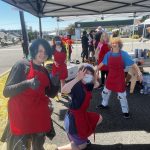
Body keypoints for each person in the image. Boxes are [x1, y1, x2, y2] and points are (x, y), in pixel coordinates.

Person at [2, 39, 53, 149]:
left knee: (38, 145)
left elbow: (50, 93)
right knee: (20, 146)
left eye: (45, 52)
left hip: (38, 115)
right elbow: (6, 91)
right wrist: (26, 84)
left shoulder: (44, 70)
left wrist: (56, 81)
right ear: (33, 50)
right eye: (40, 51)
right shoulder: (21, 65)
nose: (43, 54)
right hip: (21, 114)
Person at [57, 64, 102, 150]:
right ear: (79, 74)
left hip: (82, 115)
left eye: (90, 74)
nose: (87, 75)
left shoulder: (88, 84)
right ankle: (57, 148)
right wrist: (77, 78)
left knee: (98, 118)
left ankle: (81, 138)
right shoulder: (77, 85)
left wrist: (94, 75)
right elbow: (63, 90)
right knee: (82, 147)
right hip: (73, 120)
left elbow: (96, 84)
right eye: (85, 73)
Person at [96, 37, 143, 118]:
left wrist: (139, 72)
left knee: (122, 96)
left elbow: (133, 64)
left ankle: (125, 111)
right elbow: (102, 63)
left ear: (119, 45)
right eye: (113, 43)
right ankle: (104, 104)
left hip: (119, 77)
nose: (114, 44)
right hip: (110, 76)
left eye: (116, 43)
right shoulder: (108, 54)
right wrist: (95, 70)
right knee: (105, 92)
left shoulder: (124, 54)